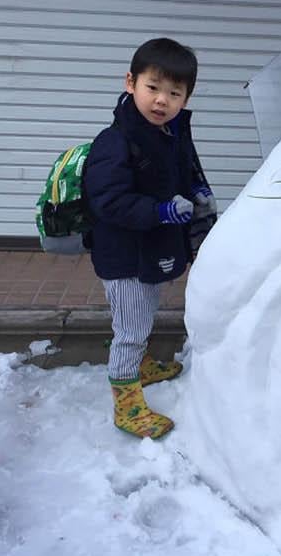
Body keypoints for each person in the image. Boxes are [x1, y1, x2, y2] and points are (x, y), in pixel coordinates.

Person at [83, 37, 215, 439]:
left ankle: (139, 365)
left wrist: (197, 191)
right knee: (131, 328)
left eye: (175, 93)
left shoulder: (171, 134)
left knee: (144, 309)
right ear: (130, 83)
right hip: (124, 255)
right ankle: (126, 400)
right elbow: (107, 200)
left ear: (186, 97)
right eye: (153, 87)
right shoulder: (116, 141)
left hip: (152, 249)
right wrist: (158, 212)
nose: (162, 100)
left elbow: (179, 173)